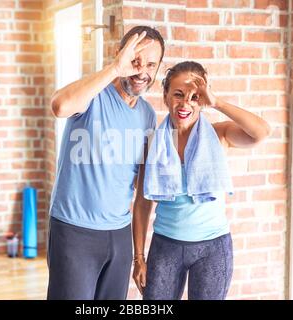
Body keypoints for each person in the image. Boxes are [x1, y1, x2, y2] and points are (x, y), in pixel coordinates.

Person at [132, 61, 271, 300]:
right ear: (165, 96)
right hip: (166, 245)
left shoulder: (220, 135)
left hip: (213, 248)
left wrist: (216, 102)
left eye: (195, 97)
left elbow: (261, 132)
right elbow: (143, 204)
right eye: (178, 94)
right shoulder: (153, 144)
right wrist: (139, 258)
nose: (185, 103)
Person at [47, 26, 165, 300]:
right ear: (120, 56)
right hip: (75, 231)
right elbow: (59, 106)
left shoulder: (147, 115)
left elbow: (142, 190)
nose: (141, 71)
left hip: (119, 235)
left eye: (150, 64)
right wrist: (115, 68)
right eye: (135, 61)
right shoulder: (93, 94)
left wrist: (139, 254)